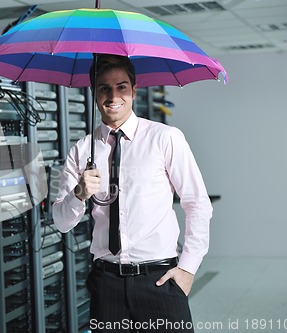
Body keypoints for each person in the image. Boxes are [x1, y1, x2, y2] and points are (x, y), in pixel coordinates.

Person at [52, 54, 212, 332]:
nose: (113, 96)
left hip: (159, 281)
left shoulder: (165, 137)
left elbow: (197, 204)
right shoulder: (81, 149)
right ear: (94, 92)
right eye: (104, 87)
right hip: (107, 284)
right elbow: (61, 222)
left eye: (121, 86)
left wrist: (187, 268)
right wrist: (78, 194)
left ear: (134, 91)